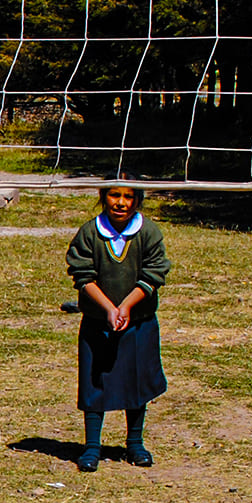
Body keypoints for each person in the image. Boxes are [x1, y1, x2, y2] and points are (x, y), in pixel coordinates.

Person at [64, 175, 170, 471]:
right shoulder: (90, 233)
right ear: (103, 196)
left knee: (137, 383)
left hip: (138, 322)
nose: (121, 203)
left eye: (128, 196)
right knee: (94, 383)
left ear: (137, 199)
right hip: (98, 322)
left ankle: (135, 443)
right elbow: (83, 275)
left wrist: (125, 307)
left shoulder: (148, 232)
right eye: (114, 195)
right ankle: (91, 447)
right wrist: (109, 309)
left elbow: (154, 273)